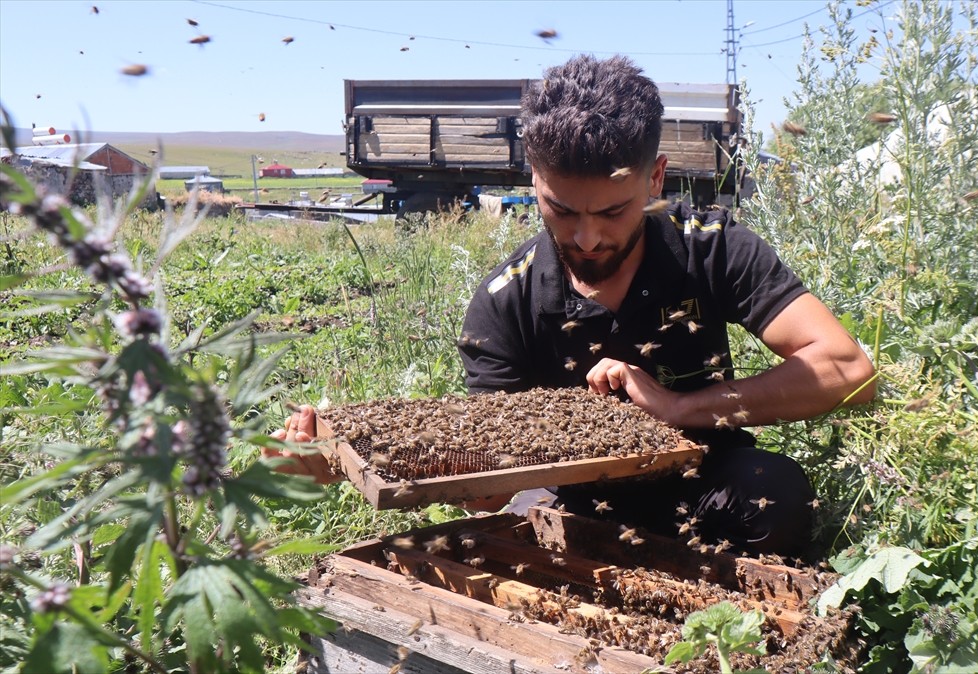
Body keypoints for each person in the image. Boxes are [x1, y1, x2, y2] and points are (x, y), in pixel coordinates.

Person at [269, 54, 875, 559]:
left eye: (612, 212)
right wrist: (343, 459)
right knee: (502, 542)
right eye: (562, 210)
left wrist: (678, 407)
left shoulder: (710, 248)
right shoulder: (504, 302)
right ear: (533, 178)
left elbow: (848, 370)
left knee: (780, 495)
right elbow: (483, 486)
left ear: (656, 178)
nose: (588, 238)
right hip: (572, 502)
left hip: (704, 487)